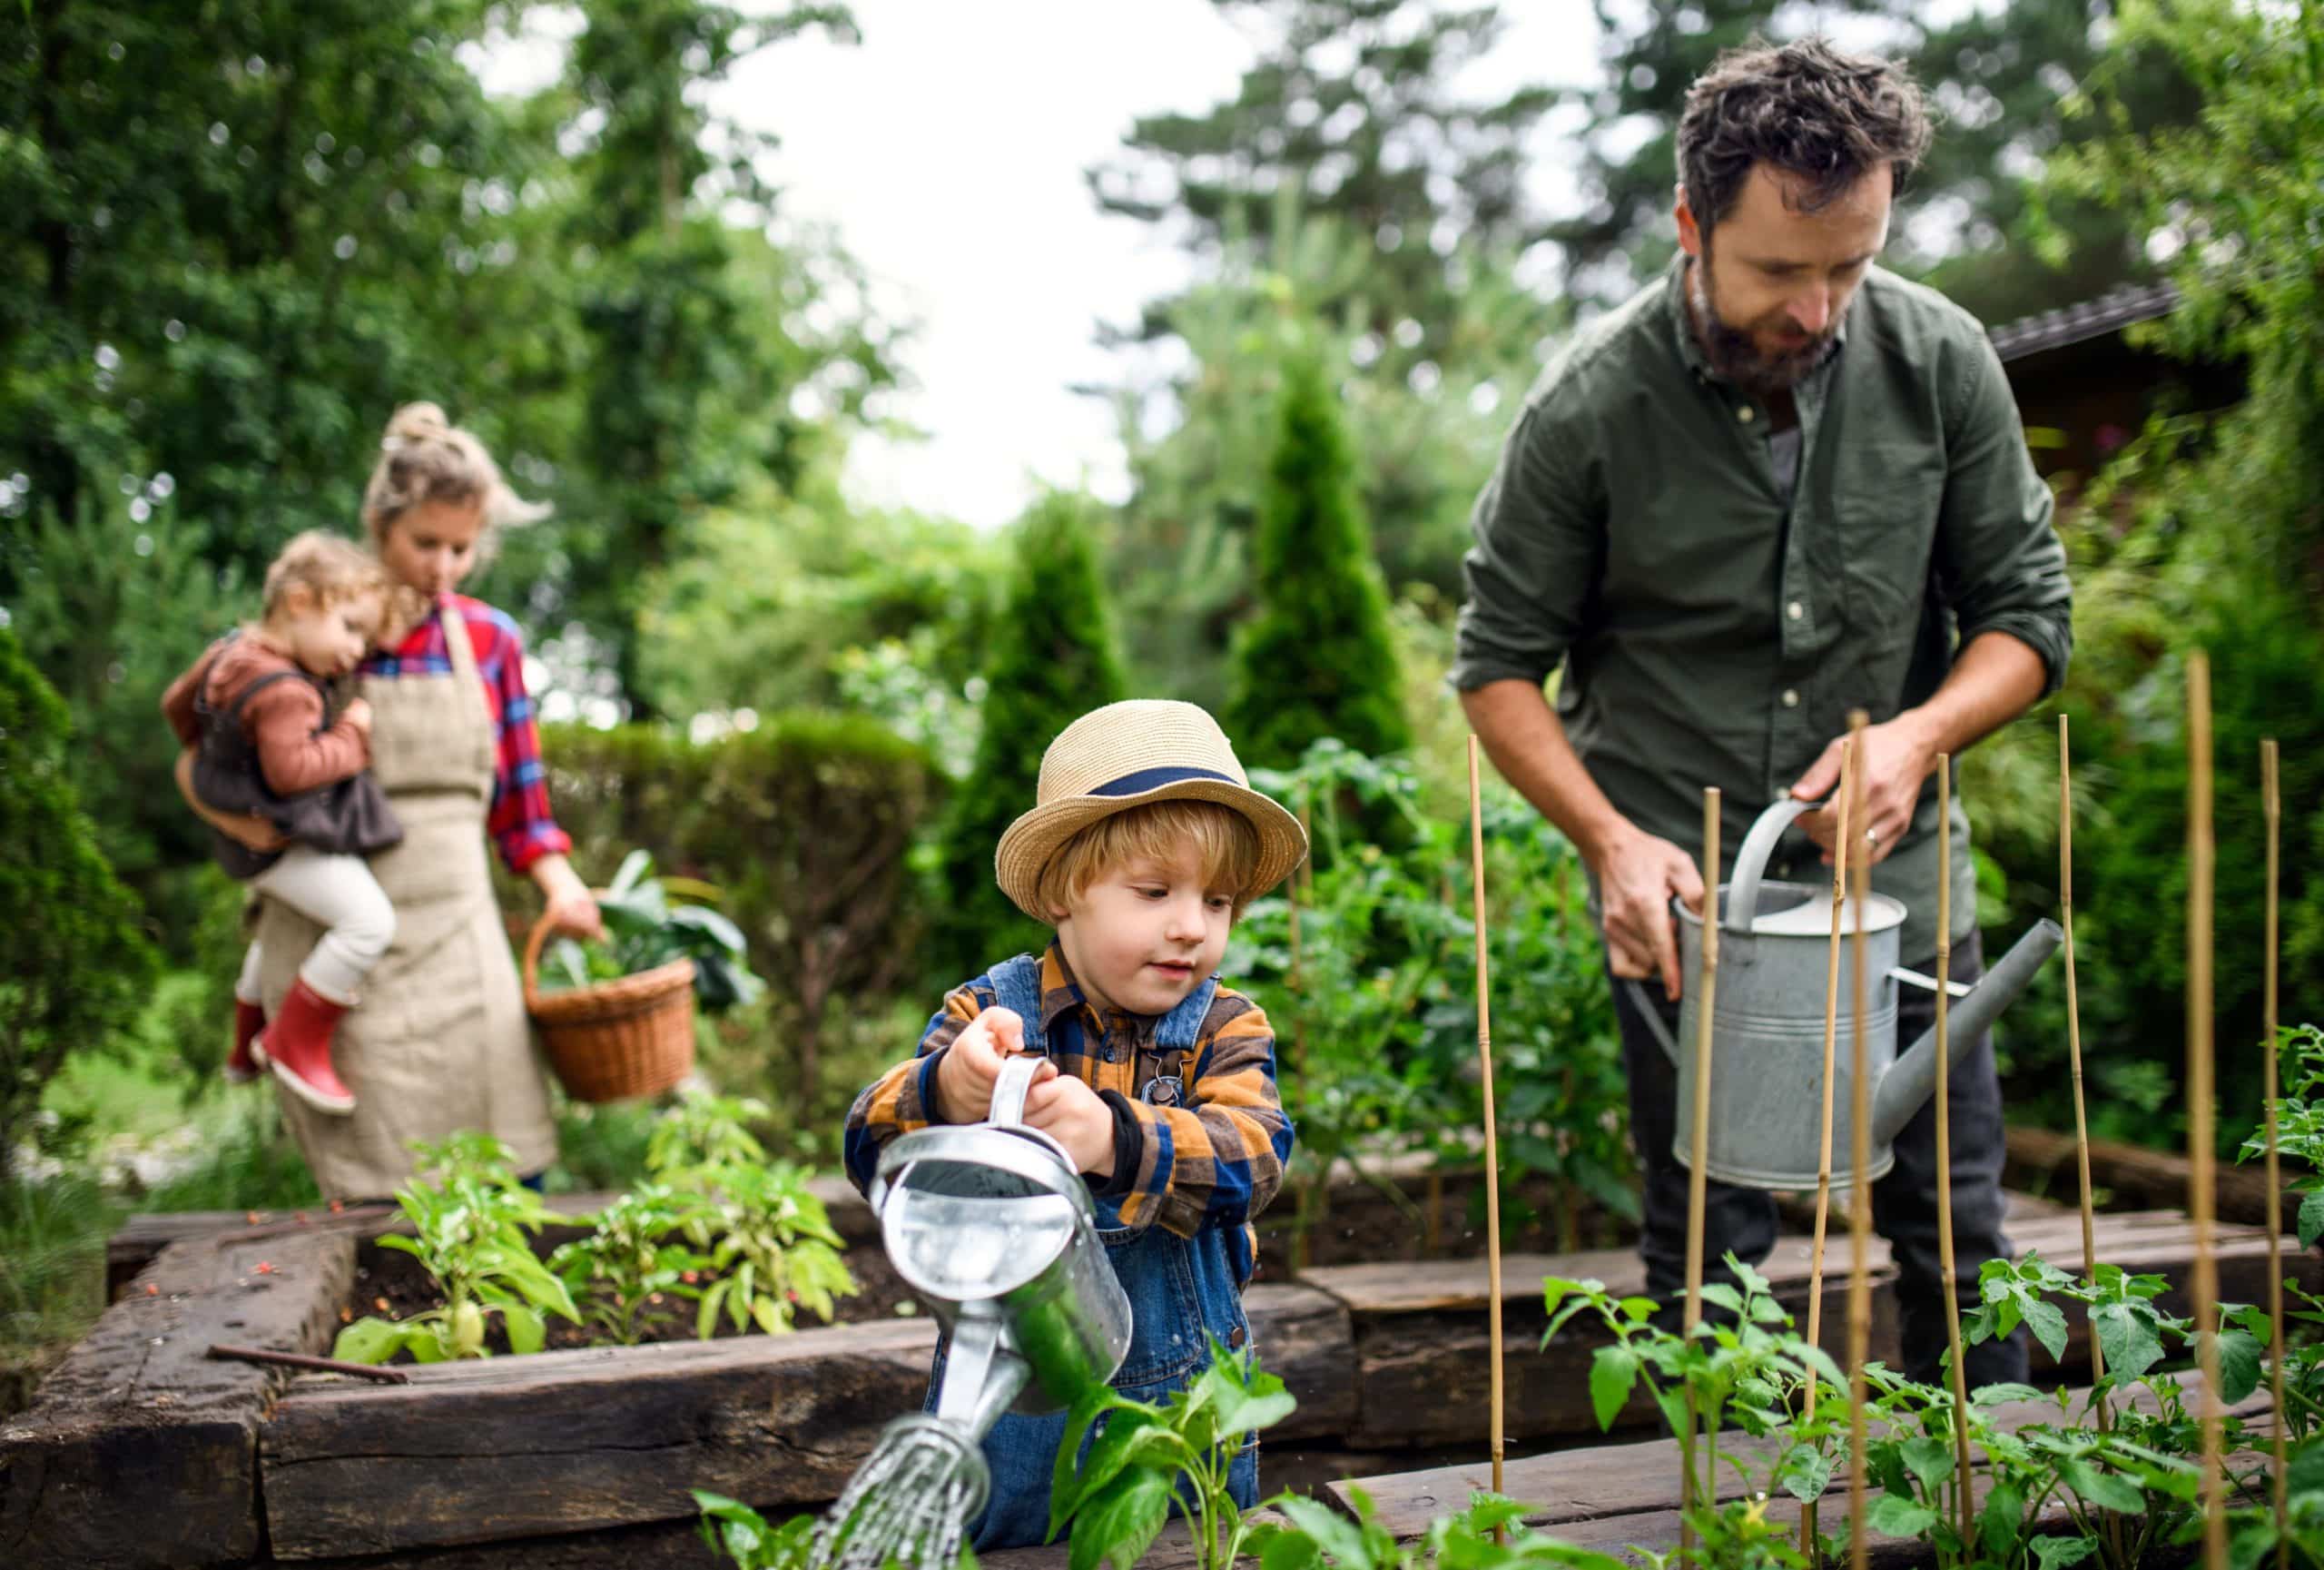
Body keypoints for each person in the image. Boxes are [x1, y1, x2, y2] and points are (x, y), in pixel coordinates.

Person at [1452, 39, 2071, 1389]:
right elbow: (1498, 667)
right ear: (1691, 226)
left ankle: (1996, 1507)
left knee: (1959, 1237)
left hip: (1897, 888)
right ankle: (1718, 1513)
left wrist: (1915, 736)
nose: (1819, 308)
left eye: (1849, 266)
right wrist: (1612, 843)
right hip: (1687, 904)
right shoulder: (1591, 407)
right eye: (1781, 272)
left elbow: (2029, 618)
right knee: (1706, 1252)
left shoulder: (1941, 361)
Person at [842, 699, 1306, 1551]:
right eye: (1156, 891)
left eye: (1220, 900)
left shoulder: (1224, 1029)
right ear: (1063, 890)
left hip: (1176, 1420)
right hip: (1015, 1405)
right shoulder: (991, 1014)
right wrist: (951, 1091)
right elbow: (872, 1150)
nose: (1192, 926)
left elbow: (1257, 1156)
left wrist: (1115, 1138)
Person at [175, 402, 606, 1200]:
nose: (443, 564)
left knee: (513, 1157)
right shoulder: (326, 633)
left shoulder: (489, 640)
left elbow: (520, 796)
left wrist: (561, 886)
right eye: (424, 543)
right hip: (342, 941)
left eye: (461, 547)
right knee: (371, 1181)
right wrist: (235, 821)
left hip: (459, 929)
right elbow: (214, 759)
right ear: (379, 526)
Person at [162, 532, 404, 1114]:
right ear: (299, 602)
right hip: (282, 842)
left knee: (275, 936)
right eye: (350, 628)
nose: (356, 651)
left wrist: (218, 766)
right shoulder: (287, 690)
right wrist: (354, 736)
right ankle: (292, 1041)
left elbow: (176, 704)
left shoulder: (228, 652)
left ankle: (244, 1044)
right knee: (369, 923)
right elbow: (295, 772)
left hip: (241, 841)